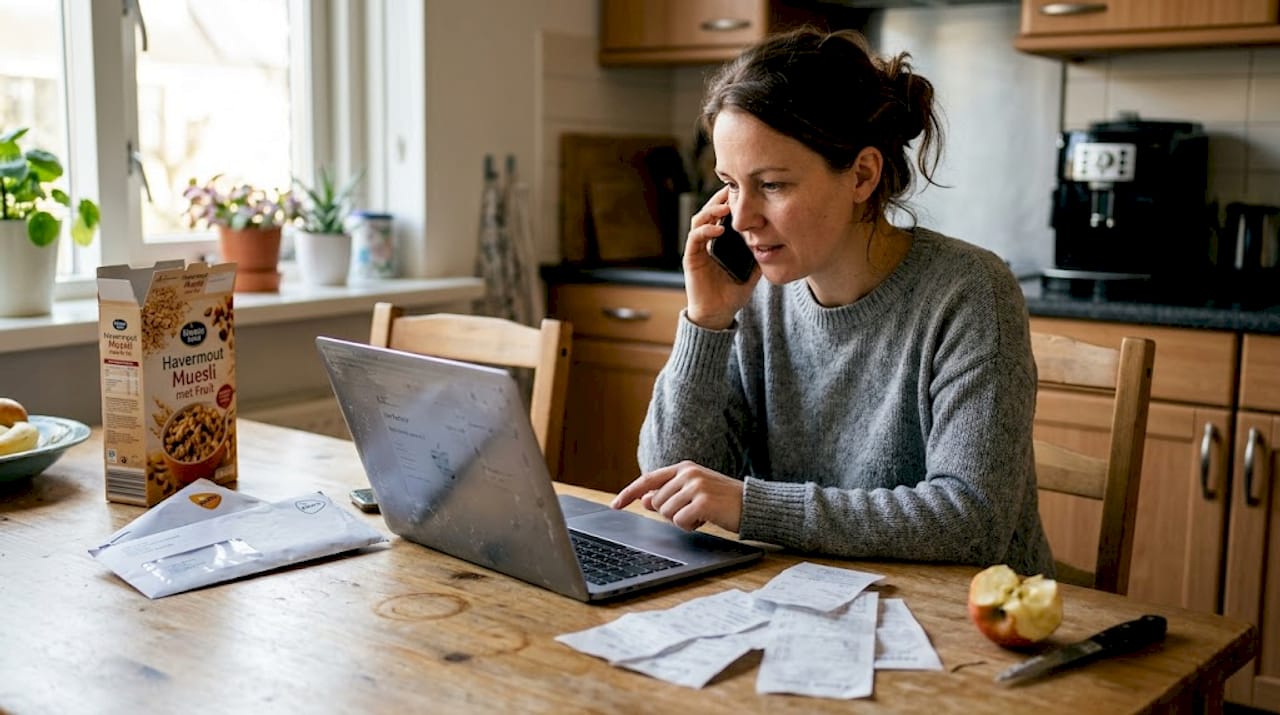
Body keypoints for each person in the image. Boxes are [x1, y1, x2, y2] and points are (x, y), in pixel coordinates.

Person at [610, 27, 1055, 577]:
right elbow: (668, 481)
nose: (742, 218)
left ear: (862, 175)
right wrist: (706, 322)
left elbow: (973, 521)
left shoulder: (970, 292)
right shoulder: (755, 294)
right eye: (730, 184)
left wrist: (753, 506)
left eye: (772, 185)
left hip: (967, 613)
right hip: (805, 595)